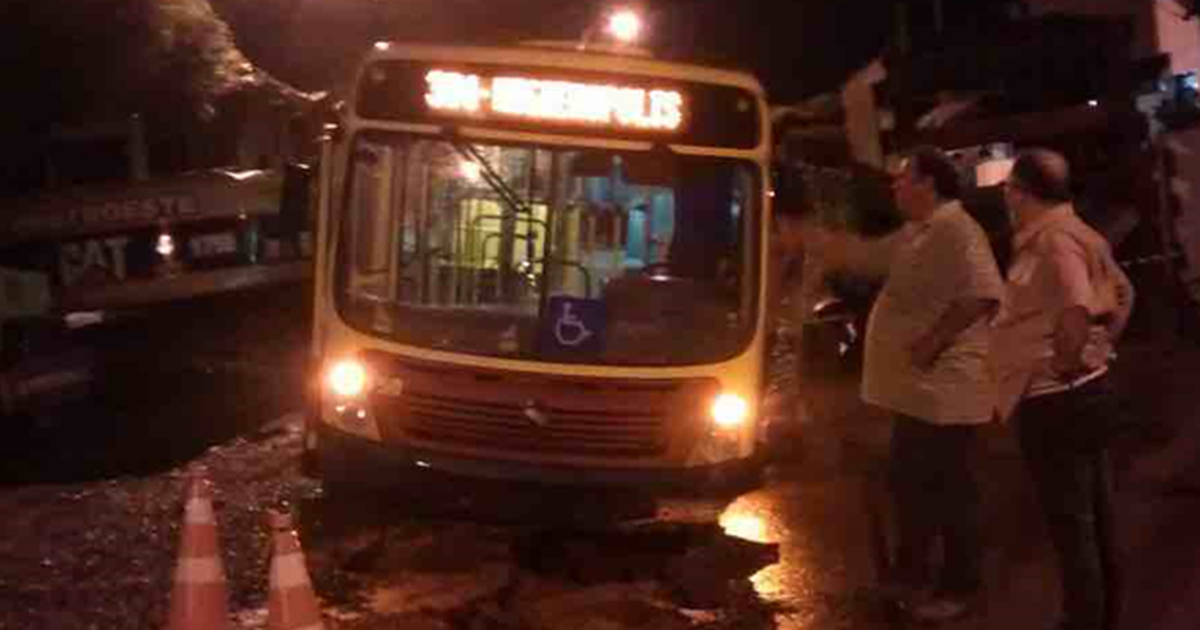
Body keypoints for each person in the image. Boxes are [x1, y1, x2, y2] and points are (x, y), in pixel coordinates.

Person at [811, 146, 1005, 623]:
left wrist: (931, 343)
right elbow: (870, 259)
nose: (895, 186)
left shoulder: (957, 230)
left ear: (929, 185)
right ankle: (910, 575)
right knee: (909, 486)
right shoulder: (921, 232)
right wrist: (817, 241)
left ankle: (958, 586)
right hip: (917, 395)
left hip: (945, 394)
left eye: (903, 179)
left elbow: (982, 295)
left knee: (948, 492)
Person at [992, 149, 1134, 630]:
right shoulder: (1076, 233)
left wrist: (1069, 357)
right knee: (1094, 519)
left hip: (1057, 401)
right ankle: (1100, 616)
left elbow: (1075, 306)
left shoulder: (1054, 242)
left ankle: (1084, 620)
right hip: (1082, 394)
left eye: (1010, 186)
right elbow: (1123, 295)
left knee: (1073, 527)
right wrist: (1103, 345)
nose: (1006, 195)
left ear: (1025, 192)